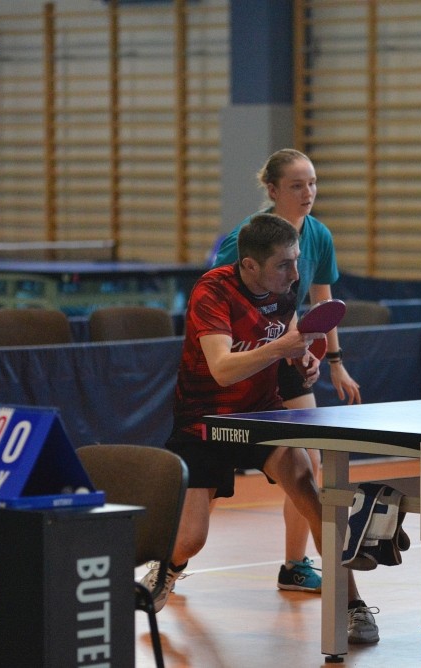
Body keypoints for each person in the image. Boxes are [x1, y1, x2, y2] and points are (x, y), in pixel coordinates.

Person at [141, 213, 379, 644]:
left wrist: (299, 361)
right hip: (205, 422)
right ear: (249, 265)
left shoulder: (283, 289)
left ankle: (353, 605)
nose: (295, 274)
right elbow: (222, 369)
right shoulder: (212, 291)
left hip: (261, 417)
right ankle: (169, 566)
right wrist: (281, 347)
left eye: (296, 261)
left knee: (314, 499)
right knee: (190, 540)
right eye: (284, 265)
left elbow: (284, 339)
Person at [212, 148, 361, 594]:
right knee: (209, 477)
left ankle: (295, 565)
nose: (308, 192)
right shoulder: (247, 238)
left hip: (287, 349)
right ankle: (171, 562)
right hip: (246, 354)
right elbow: (217, 298)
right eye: (297, 185)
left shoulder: (318, 234)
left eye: (312, 183)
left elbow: (322, 301)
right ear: (273, 190)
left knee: (309, 462)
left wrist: (332, 360)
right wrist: (267, 345)